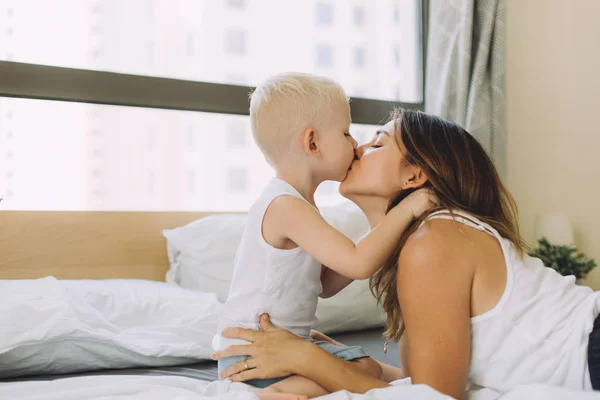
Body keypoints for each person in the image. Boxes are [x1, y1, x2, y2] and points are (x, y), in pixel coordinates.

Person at [213, 108, 600, 399]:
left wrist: (307, 359)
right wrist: (341, 358)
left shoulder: (433, 239)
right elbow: (423, 382)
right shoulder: (421, 241)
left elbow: (434, 398)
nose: (358, 147)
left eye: (378, 143)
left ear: (414, 176)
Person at [213, 76, 437, 399]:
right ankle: (263, 393)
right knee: (355, 374)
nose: (355, 145)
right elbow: (359, 262)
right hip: (253, 351)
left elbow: (326, 284)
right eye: (346, 134)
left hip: (279, 343)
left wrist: (381, 237)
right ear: (312, 143)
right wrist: (405, 212)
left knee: (363, 365)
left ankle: (394, 379)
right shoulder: (285, 207)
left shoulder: (300, 206)